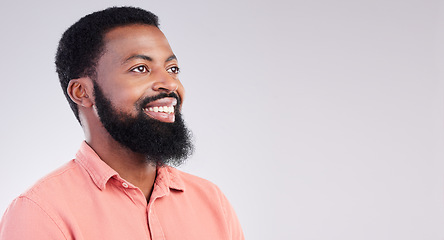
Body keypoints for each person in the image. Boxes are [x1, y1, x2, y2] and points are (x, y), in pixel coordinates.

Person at [0, 6, 244, 240]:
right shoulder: (40, 213)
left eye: (172, 68)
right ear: (82, 92)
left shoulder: (212, 201)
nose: (170, 84)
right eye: (140, 68)